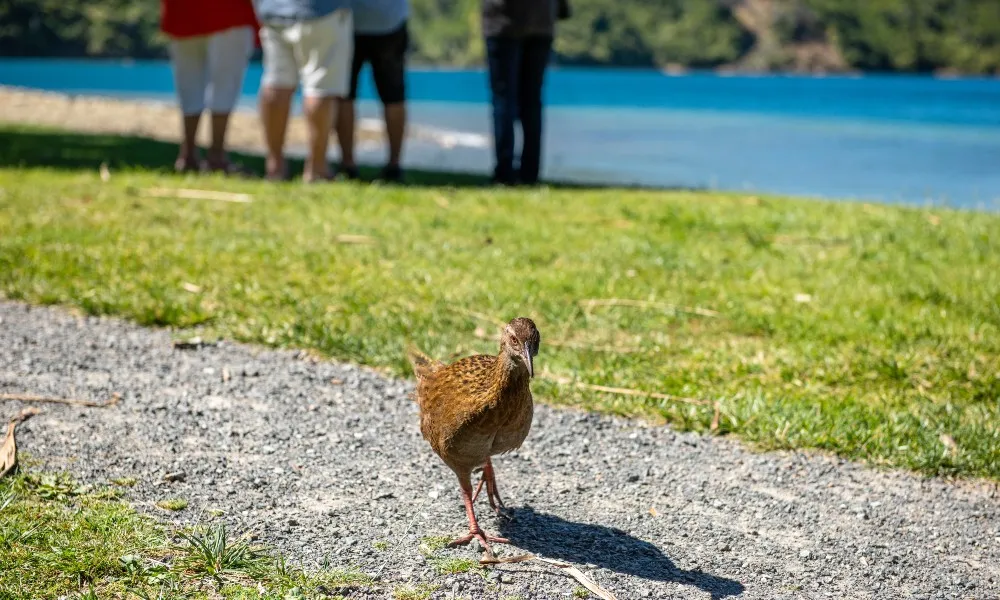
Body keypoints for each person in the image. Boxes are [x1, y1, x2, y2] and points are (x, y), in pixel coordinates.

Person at [255, 0, 354, 182]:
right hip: (320, 10)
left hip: (274, 10)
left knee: (276, 82)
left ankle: (275, 166)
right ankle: (317, 169)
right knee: (320, 86)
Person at [160, 0, 259, 174]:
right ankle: (216, 156)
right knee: (224, 86)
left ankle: (189, 154)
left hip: (183, 11)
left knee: (189, 85)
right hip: (229, 10)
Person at [481, 0, 570, 185]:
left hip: (504, 20)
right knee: (531, 101)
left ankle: (505, 173)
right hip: (542, 18)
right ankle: (530, 173)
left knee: (504, 98)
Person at [334, 0, 410, 183]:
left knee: (344, 94)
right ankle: (394, 165)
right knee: (394, 97)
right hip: (390, 20)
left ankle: (348, 165)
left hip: (348, 18)